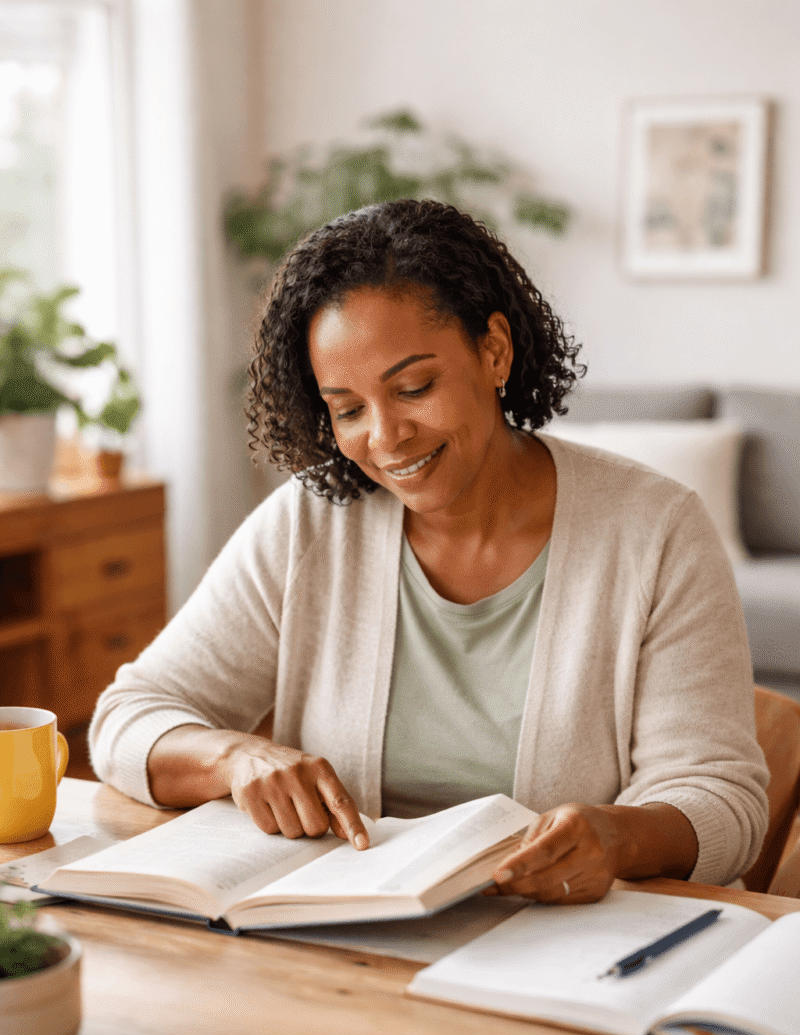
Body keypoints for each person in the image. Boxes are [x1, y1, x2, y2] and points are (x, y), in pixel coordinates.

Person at [90, 199, 768, 903]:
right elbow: (127, 716)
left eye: (414, 387)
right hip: (343, 946)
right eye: (348, 409)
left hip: (564, 944)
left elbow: (723, 800)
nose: (385, 438)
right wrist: (234, 757)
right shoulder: (312, 521)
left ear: (494, 351)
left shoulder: (657, 530)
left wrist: (618, 837)